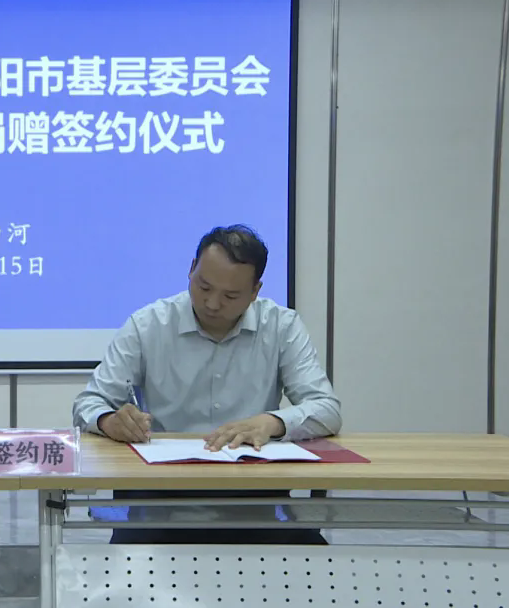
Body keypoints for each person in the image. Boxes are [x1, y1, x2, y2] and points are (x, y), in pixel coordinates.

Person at [72, 224, 341, 544]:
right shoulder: (148, 325)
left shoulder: (281, 327)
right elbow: (89, 403)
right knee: (130, 567)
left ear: (255, 291)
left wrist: (272, 423)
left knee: (311, 560)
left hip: (253, 494)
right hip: (161, 494)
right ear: (191, 269)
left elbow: (327, 409)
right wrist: (109, 420)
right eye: (204, 287)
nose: (212, 303)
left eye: (230, 296)